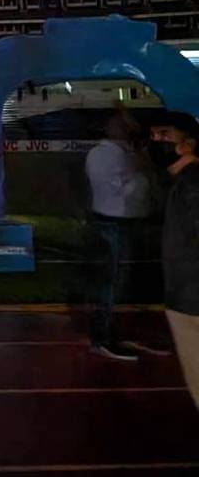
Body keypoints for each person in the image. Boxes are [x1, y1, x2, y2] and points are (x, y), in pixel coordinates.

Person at [85, 113, 153, 360]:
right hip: (112, 223)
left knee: (124, 282)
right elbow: (121, 190)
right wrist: (140, 169)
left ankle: (118, 333)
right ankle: (103, 338)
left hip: (127, 222)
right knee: (110, 284)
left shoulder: (126, 152)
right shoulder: (101, 155)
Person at [155, 113, 199, 407]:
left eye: (165, 134)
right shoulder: (182, 181)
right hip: (185, 293)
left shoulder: (193, 184)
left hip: (192, 297)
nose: (156, 140)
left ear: (189, 144)